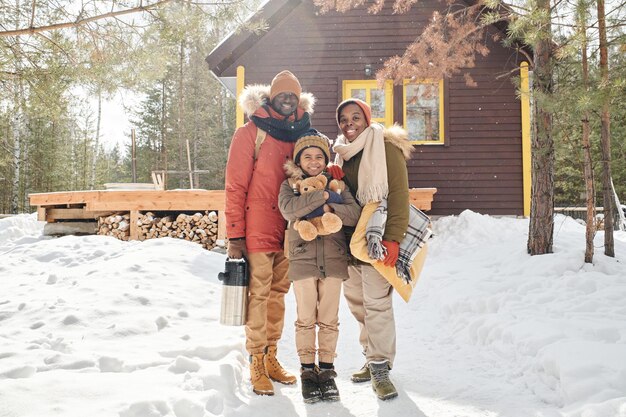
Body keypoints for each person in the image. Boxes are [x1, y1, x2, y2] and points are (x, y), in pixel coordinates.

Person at [224, 70, 315, 396]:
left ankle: (272, 355)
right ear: (272, 96)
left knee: (278, 294)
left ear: (299, 97)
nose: (288, 98)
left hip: (291, 231)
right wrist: (235, 235)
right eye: (282, 93)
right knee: (258, 295)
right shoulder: (251, 133)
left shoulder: (306, 133)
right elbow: (235, 186)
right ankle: (256, 361)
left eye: (293, 93)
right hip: (258, 227)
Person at [330, 98, 413, 401]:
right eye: (343, 119)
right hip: (349, 241)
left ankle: (381, 366)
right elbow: (344, 197)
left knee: (377, 303)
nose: (349, 124)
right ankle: (371, 355)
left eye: (355, 117)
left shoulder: (384, 147)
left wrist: (393, 237)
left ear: (366, 119)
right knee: (357, 303)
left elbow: (399, 194)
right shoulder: (341, 154)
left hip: (377, 239)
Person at [278, 129, 361, 404]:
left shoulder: (338, 183)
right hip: (302, 258)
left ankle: (326, 371)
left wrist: (330, 208)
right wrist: (324, 197)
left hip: (334, 258)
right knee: (305, 318)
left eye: (318, 156)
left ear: (325, 159)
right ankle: (306, 371)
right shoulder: (290, 185)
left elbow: (354, 213)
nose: (313, 161)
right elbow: (290, 211)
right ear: (299, 160)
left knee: (329, 319)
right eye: (307, 156)